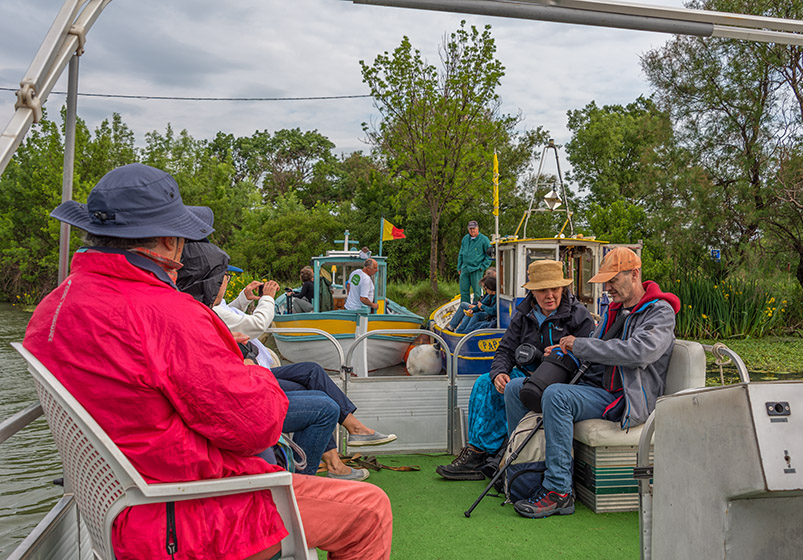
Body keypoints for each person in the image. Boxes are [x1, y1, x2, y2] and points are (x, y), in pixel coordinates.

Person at [24, 163, 392, 560]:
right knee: (369, 510)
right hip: (190, 517)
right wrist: (253, 372)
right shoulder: (168, 314)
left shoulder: (52, 308)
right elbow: (258, 428)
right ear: (168, 241)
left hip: (123, 513)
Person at [178, 231, 396, 482]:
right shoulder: (202, 313)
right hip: (243, 394)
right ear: (211, 281)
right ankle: (303, 483)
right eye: (224, 276)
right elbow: (255, 326)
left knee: (315, 379)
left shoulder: (201, 310)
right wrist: (267, 299)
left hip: (249, 380)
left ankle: (338, 454)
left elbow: (221, 322)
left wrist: (239, 311)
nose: (226, 281)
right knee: (324, 404)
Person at [503, 247, 680, 518]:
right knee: (517, 389)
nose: (607, 288)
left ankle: (559, 492)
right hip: (596, 386)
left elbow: (639, 352)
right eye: (605, 281)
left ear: (634, 275)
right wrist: (564, 351)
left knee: (556, 396)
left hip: (625, 397)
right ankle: (525, 474)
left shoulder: (660, 312)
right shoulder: (615, 309)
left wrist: (581, 346)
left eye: (612, 280)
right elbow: (594, 348)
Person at [437, 260, 595, 480]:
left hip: (561, 380)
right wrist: (499, 373)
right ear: (533, 292)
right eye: (542, 290)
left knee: (514, 387)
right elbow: (505, 349)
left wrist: (564, 353)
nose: (549, 295)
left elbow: (590, 357)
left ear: (563, 289)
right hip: (526, 373)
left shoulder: (579, 315)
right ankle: (478, 453)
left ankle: (500, 455)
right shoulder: (523, 313)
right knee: (485, 383)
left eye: (555, 289)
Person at [457, 220, 492, 305]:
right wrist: (459, 266)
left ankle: (476, 308)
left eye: (474, 228)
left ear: (477, 228)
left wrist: (482, 267)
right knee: (464, 290)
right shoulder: (465, 239)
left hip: (476, 269)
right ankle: (465, 309)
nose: (472, 230)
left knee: (477, 291)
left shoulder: (484, 239)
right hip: (465, 268)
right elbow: (461, 253)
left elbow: (490, 255)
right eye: (470, 229)